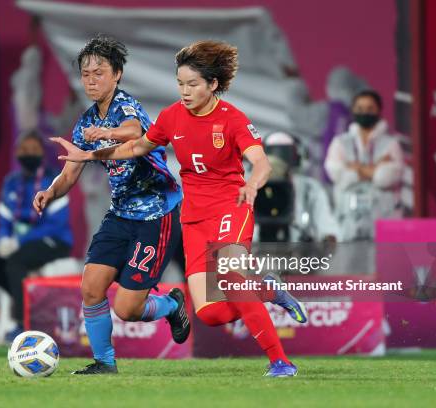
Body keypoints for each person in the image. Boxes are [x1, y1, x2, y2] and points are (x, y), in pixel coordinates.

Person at [52, 40, 306, 377]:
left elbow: (261, 163)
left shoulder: (232, 119)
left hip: (232, 207)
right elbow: (137, 147)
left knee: (231, 278)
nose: (184, 91)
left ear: (213, 84)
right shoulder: (171, 117)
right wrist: (89, 155)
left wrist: (253, 183)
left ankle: (280, 362)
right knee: (210, 314)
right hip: (194, 219)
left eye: (193, 84)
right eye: (180, 83)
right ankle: (268, 289)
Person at [33, 35, 189, 375]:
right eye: (86, 74)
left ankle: (170, 304)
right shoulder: (85, 122)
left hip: (156, 214)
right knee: (90, 287)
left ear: (117, 74)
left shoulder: (127, 107)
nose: (91, 80)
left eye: (99, 73)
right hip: (119, 214)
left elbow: (133, 132)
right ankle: (105, 363)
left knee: (128, 309)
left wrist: (105, 133)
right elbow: (70, 172)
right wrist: (50, 191)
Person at [0, 130, 73, 341]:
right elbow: (5, 218)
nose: (28, 153)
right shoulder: (11, 182)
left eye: (33, 149)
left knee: (15, 264)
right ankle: (22, 296)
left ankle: (22, 323)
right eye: (23, 149)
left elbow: (55, 225)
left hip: (54, 241)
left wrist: (18, 241)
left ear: (42, 154)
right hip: (19, 242)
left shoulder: (53, 181)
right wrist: (3, 239)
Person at [324, 90, 404, 241]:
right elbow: (337, 174)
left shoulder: (391, 144)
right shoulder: (340, 142)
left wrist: (356, 167)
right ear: (353, 110)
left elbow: (386, 177)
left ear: (379, 111)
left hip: (384, 223)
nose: (364, 112)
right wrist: (374, 168)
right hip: (346, 223)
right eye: (360, 108)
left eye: (369, 109)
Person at [258, 132, 340, 243]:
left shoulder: (310, 189)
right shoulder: (248, 187)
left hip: (298, 254)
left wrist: (328, 238)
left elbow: (327, 225)